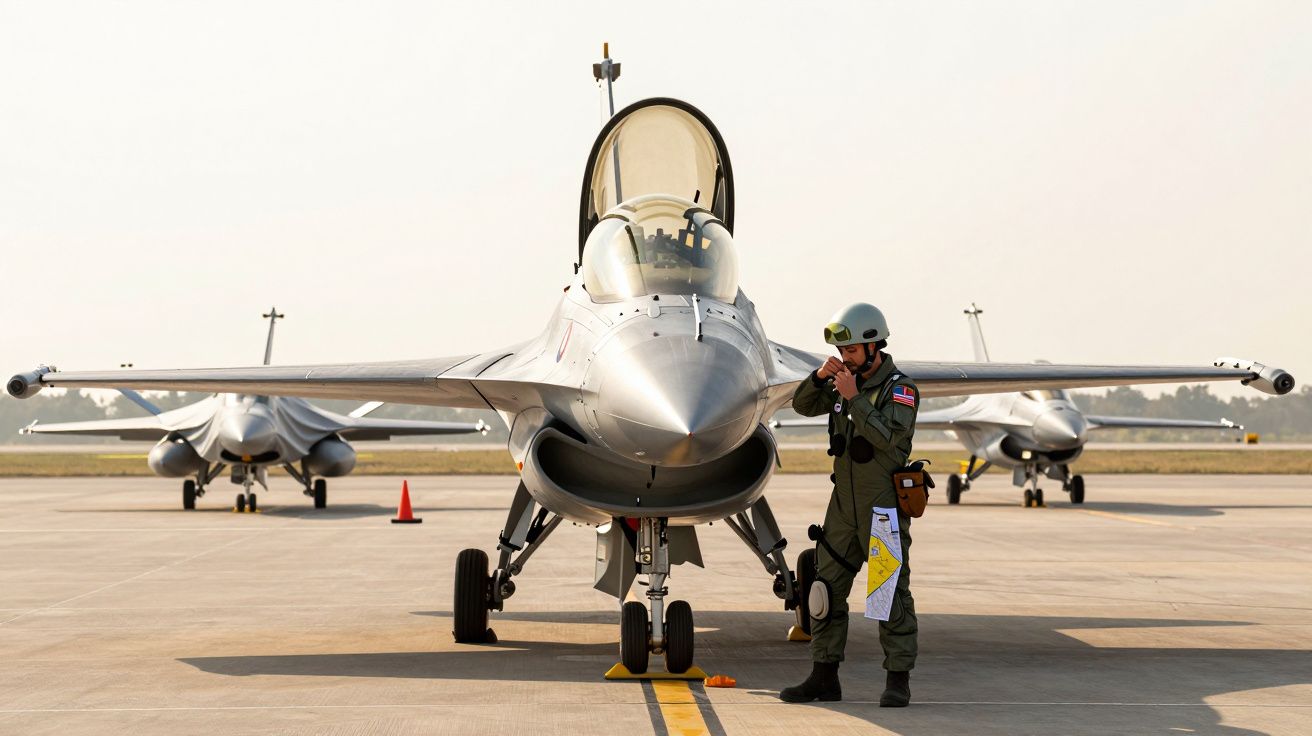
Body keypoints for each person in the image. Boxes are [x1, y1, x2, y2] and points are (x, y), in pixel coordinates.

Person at [779, 302, 920, 707]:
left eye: (853, 352)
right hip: (842, 509)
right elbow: (803, 405)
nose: (846, 359)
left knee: (888, 595)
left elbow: (888, 439)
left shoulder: (901, 390)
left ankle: (898, 680)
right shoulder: (842, 381)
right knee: (823, 591)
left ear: (875, 347)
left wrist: (855, 399)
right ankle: (824, 677)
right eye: (843, 353)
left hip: (882, 510)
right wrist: (819, 377)